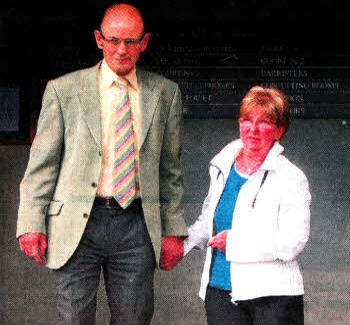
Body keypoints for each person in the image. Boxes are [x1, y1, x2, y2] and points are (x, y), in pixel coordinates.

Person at [16, 3, 186, 324]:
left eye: (131, 42)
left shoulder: (165, 94)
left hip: (135, 225)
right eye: (114, 40)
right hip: (76, 224)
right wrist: (30, 223)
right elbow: (42, 165)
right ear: (99, 39)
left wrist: (174, 230)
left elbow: (170, 171)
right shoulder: (64, 90)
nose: (122, 49)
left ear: (144, 43)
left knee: (134, 317)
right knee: (74, 318)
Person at [181, 86, 311, 324]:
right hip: (220, 292)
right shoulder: (222, 166)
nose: (253, 129)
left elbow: (294, 241)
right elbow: (209, 221)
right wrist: (181, 246)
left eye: (264, 122)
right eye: (247, 120)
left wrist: (235, 243)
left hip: (273, 297)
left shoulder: (292, 177)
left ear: (280, 130)